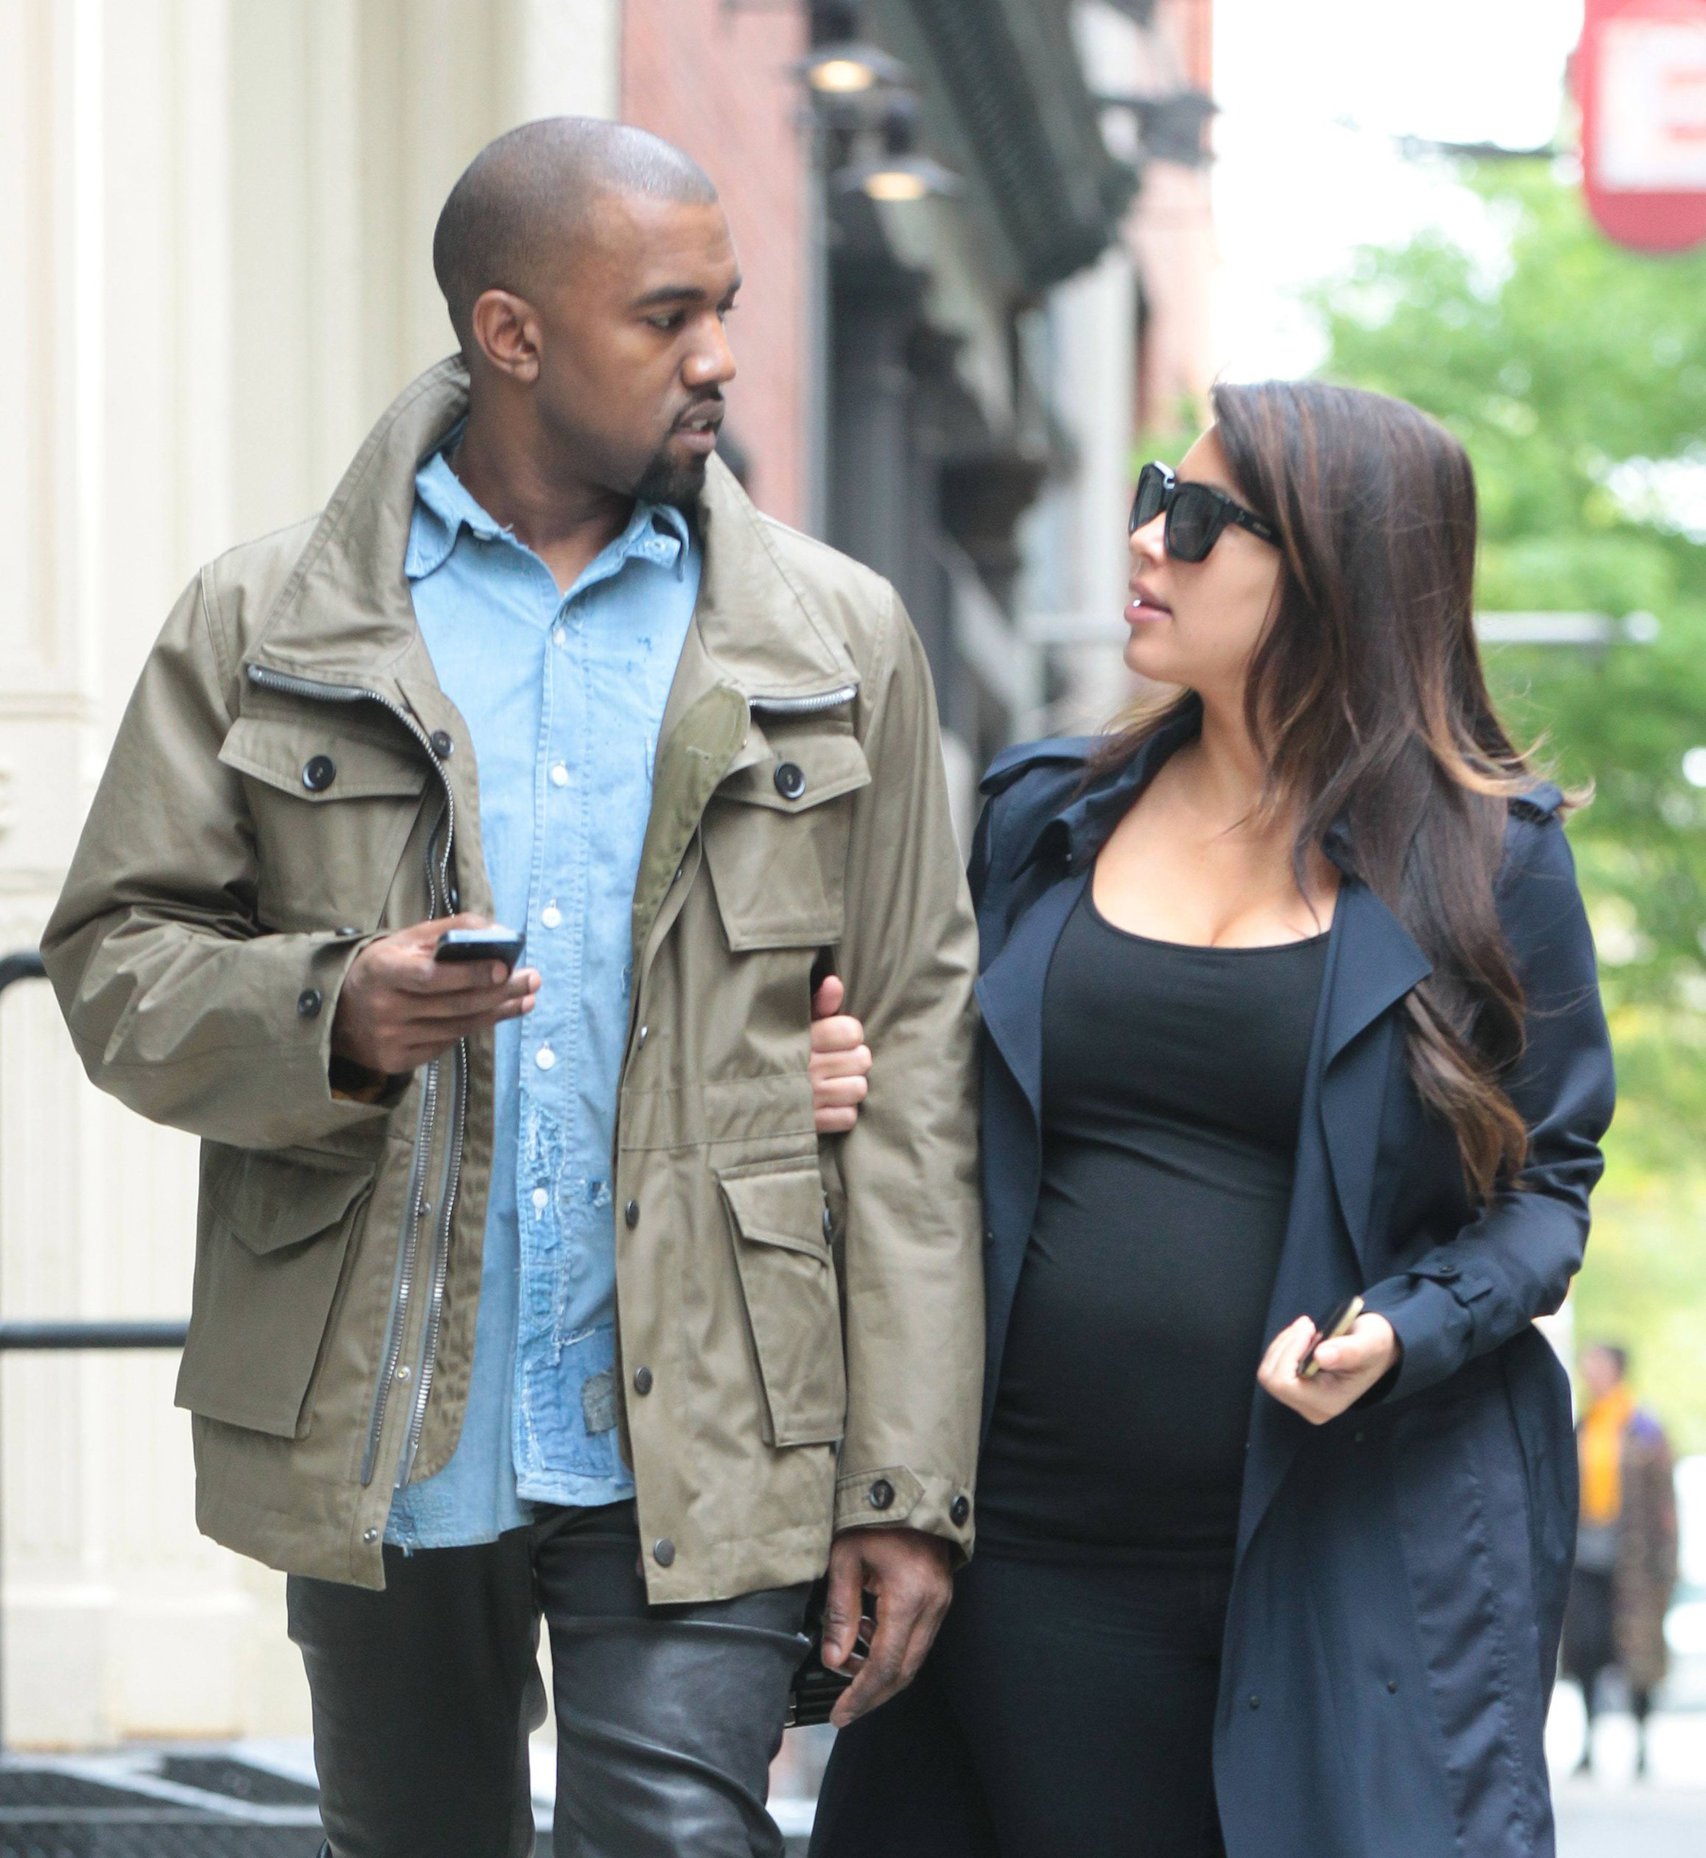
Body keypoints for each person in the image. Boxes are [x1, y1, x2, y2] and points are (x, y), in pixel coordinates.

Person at [41, 119, 980, 1858]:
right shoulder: (262, 619)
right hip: (384, 1410)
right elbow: (116, 960)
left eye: (729, 307)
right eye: (666, 314)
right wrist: (333, 1011)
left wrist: (905, 1482)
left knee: (682, 1841)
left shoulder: (839, 645)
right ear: (511, 330)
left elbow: (913, 1065)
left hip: (717, 1411)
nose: (715, 356)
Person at [810, 380, 1615, 1858]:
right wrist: (843, 1088)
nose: (1143, 543)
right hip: (1027, 1542)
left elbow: (1549, 1188)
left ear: (1332, 567)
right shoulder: (1048, 812)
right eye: (1144, 495)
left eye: (1192, 519)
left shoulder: (1491, 861)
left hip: (1328, 1551)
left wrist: (1407, 1323)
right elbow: (940, 1114)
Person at [1562, 1342, 1678, 1778]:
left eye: (1597, 1364)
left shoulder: (1643, 1428)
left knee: (1638, 1654)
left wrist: (1665, 1563)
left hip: (1636, 1564)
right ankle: (1589, 1744)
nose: (1590, 1372)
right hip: (1586, 1560)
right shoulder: (1584, 1425)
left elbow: (1664, 1504)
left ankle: (1642, 1746)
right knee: (1587, 1648)